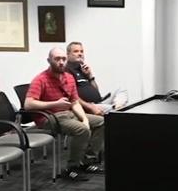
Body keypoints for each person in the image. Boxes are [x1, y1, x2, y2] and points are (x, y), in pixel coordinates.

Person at [25, 47, 104, 181]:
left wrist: (84, 118)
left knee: (100, 122)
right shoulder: (40, 79)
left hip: (68, 114)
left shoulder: (69, 77)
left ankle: (87, 161)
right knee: (82, 129)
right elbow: (28, 104)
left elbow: (74, 102)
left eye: (63, 59)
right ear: (49, 60)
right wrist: (54, 104)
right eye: (57, 59)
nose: (61, 62)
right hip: (49, 118)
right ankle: (72, 168)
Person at [65, 41, 127, 116]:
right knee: (116, 111)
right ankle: (116, 109)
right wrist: (89, 107)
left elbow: (96, 90)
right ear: (68, 54)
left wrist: (90, 75)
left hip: (100, 102)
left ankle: (117, 107)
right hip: (88, 106)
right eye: (76, 51)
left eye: (81, 51)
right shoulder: (66, 70)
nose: (80, 54)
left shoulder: (83, 70)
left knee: (121, 90)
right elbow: (72, 97)